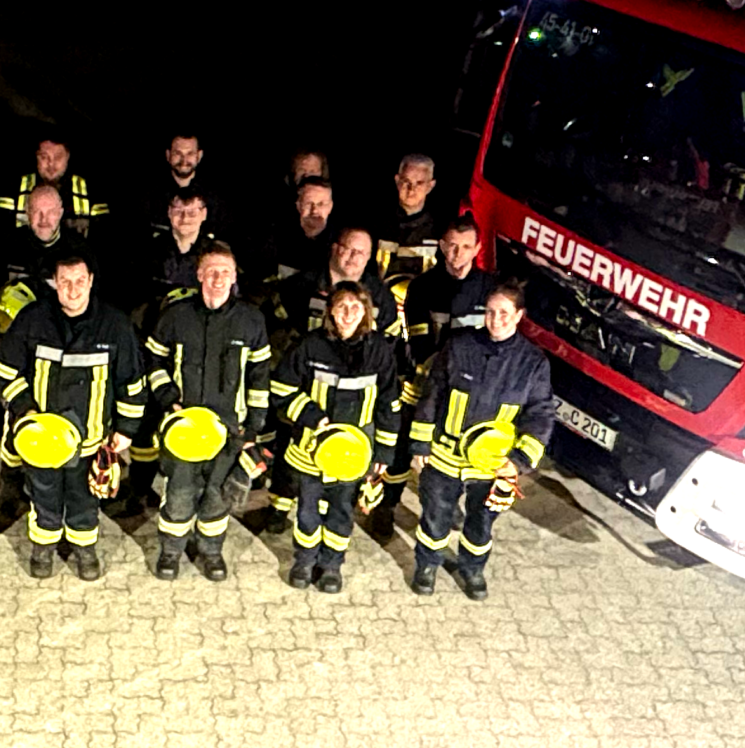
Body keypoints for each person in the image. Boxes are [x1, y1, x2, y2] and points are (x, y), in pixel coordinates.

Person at [0, 252, 145, 581]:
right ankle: (43, 548)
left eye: (79, 282)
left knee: (84, 499)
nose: (72, 290)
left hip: (90, 440)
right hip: (40, 439)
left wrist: (127, 429)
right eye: (65, 282)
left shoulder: (115, 324)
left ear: (91, 281)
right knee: (42, 494)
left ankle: (84, 550)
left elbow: (131, 381)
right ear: (55, 283)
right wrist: (25, 410)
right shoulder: (32, 320)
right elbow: (5, 371)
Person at [404, 283, 552, 599]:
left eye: (503, 313)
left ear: (519, 316)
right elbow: (432, 394)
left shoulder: (533, 363)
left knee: (481, 523)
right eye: (490, 312)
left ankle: (472, 569)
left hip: (493, 465)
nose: (495, 320)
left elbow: (540, 415)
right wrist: (420, 445)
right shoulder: (459, 346)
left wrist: (519, 461)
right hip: (445, 454)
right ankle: (427, 566)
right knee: (435, 515)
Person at [138, 244, 270, 581]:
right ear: (198, 275)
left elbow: (258, 379)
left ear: (234, 277)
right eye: (211, 271)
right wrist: (169, 398)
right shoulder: (175, 317)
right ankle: (170, 552)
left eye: (225, 272)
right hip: (185, 429)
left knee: (217, 496)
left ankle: (210, 551)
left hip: (230, 431)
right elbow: (153, 361)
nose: (217, 278)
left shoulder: (251, 321)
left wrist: (253, 428)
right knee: (179, 494)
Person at [267, 283, 407, 593]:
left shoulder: (379, 352)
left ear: (365, 313)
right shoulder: (308, 347)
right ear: (330, 309)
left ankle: (331, 565)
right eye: (341, 306)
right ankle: (304, 561)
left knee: (342, 511)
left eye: (355, 308)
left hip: (353, 455)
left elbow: (389, 405)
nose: (348, 314)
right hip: (311, 449)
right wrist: (313, 417)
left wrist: (383, 454)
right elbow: (280, 389)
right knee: (307, 510)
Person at [0, 184, 85, 331]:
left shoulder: (80, 251)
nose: (43, 219)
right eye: (37, 211)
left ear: (60, 213)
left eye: (50, 212)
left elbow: (93, 307)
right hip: (11, 337)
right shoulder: (6, 247)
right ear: (27, 212)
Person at [275, 227, 402, 346]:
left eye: (361, 252)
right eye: (348, 249)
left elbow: (391, 341)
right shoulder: (299, 286)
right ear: (335, 249)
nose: (353, 257)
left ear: (368, 257)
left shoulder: (380, 295)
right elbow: (276, 331)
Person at [399, 218, 490, 367]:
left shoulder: (491, 289)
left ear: (477, 249)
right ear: (442, 246)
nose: (458, 253)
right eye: (453, 245)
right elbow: (420, 347)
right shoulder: (421, 287)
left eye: (466, 247)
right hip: (436, 372)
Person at [0, 134, 108, 237]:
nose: (51, 163)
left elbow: (104, 236)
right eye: (44, 157)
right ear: (36, 156)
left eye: (58, 157)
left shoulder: (90, 190)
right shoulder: (14, 187)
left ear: (68, 156)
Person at [129, 189, 221, 313]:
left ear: (204, 214)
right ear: (169, 212)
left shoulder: (217, 254)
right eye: (178, 212)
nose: (185, 218)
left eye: (192, 213)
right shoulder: (148, 250)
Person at [136, 133, 234, 243]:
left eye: (190, 153)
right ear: (168, 155)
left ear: (199, 155)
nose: (184, 160)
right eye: (178, 153)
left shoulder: (216, 199)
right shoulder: (148, 197)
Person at [372, 154, 448, 280]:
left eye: (419, 183)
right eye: (406, 181)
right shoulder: (376, 224)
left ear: (430, 186)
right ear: (397, 181)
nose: (411, 190)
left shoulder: (440, 230)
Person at [262, 177, 338, 288]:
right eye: (309, 203)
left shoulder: (340, 242)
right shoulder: (277, 236)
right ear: (298, 205)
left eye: (321, 204)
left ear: (330, 207)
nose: (315, 211)